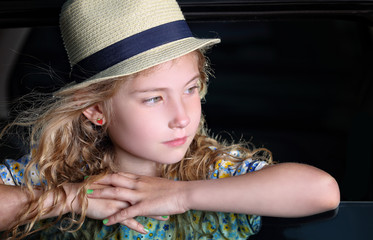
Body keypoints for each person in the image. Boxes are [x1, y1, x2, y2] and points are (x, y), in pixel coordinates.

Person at [0, 0, 340, 239]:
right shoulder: (53, 173)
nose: (182, 117)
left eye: (191, 89)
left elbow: (322, 191)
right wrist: (68, 198)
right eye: (153, 98)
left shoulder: (212, 171)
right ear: (96, 110)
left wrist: (183, 196)